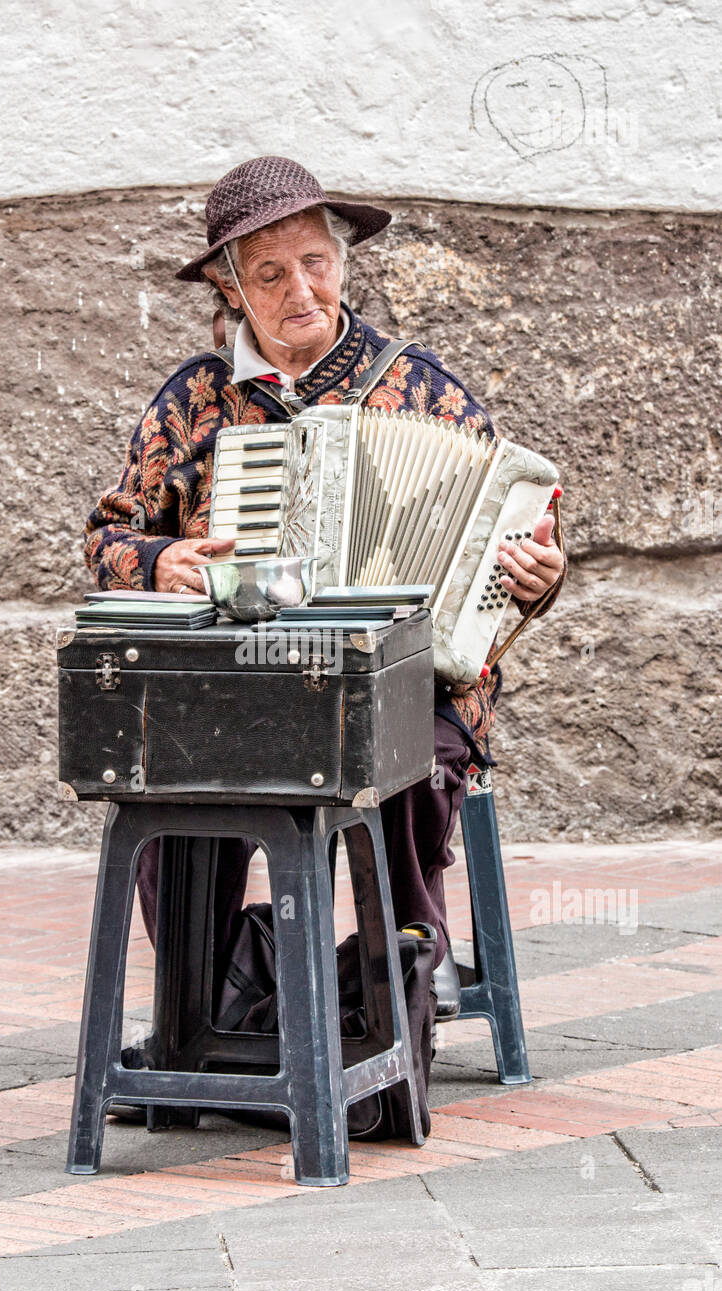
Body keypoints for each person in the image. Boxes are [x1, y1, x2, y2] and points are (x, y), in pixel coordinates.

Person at [83, 155, 565, 1009]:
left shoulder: (420, 389)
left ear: (341, 261)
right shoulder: (194, 400)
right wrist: (161, 561)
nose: (301, 289)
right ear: (231, 289)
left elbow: (510, 540)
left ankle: (393, 996)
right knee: (171, 781)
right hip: (237, 684)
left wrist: (534, 577)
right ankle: (214, 1008)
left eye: (315, 262)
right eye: (270, 273)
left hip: (403, 680)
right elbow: (110, 534)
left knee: (411, 754)